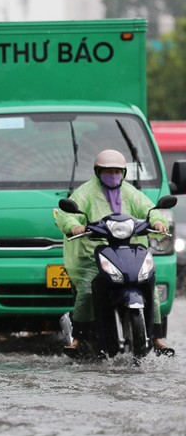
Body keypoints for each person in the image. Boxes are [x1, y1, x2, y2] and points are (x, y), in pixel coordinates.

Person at [55, 149, 175, 356]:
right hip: (93, 255)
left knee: (150, 289)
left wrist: (158, 221)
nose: (113, 175)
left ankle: (156, 337)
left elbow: (149, 209)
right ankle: (77, 338)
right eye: (107, 171)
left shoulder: (130, 192)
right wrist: (74, 226)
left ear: (124, 173)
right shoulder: (86, 192)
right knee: (86, 290)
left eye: (117, 171)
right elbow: (66, 215)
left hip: (129, 252)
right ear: (97, 172)